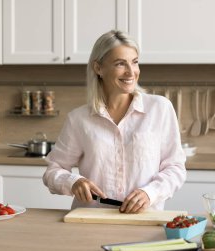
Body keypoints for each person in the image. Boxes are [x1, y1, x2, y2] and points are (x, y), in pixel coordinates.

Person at [43, 30, 186, 214]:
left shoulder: (160, 109)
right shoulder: (79, 119)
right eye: (120, 64)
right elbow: (53, 170)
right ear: (98, 68)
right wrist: (73, 182)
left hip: (144, 220)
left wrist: (149, 193)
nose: (131, 71)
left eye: (134, 62)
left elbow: (175, 168)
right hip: (91, 220)